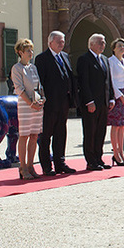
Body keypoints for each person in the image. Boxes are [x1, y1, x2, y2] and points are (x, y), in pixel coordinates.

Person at [35, 30, 78, 176]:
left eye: (63, 41)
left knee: (61, 133)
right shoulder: (42, 59)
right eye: (59, 41)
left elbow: (69, 77)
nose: (62, 44)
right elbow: (40, 82)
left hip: (64, 102)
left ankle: (60, 163)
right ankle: (47, 166)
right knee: (46, 135)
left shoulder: (65, 57)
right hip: (50, 104)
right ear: (50, 42)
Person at [77, 33, 115, 171]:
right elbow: (84, 82)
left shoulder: (104, 59)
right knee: (90, 132)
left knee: (100, 132)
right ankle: (91, 160)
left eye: (104, 42)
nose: (103, 45)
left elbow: (108, 81)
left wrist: (111, 98)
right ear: (91, 44)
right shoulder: (84, 59)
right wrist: (89, 101)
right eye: (100, 42)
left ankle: (99, 157)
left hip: (103, 102)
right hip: (91, 103)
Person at [11, 38, 45, 180]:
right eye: (27, 50)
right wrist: (31, 103)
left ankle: (31, 166)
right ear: (20, 52)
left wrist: (43, 98)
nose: (31, 53)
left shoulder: (33, 67)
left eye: (31, 50)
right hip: (25, 106)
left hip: (37, 105)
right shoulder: (17, 68)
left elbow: (39, 86)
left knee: (34, 135)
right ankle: (23, 166)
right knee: (24, 136)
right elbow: (19, 88)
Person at [107, 38, 124, 167]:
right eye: (119, 46)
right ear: (114, 48)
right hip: (117, 94)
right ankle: (115, 153)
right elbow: (111, 80)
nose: (122, 48)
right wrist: (119, 95)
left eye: (123, 46)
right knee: (115, 125)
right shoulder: (110, 61)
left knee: (123, 125)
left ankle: (122, 152)